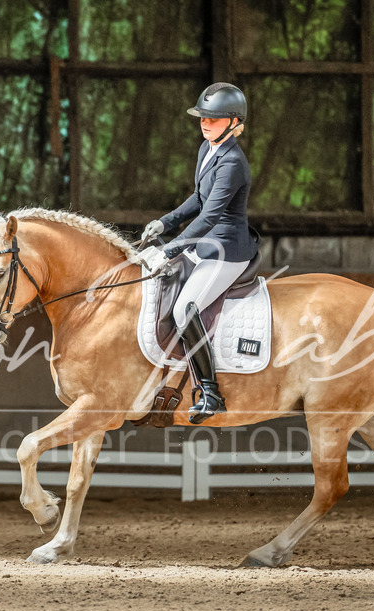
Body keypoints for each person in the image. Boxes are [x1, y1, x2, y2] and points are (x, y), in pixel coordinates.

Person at [141, 82, 257, 424]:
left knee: (185, 307)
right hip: (206, 243)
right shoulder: (207, 149)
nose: (205, 123)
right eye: (203, 117)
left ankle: (210, 392)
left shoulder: (233, 162)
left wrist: (175, 246)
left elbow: (211, 215)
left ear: (234, 122)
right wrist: (164, 223)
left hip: (227, 249)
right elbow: (198, 199)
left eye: (214, 118)